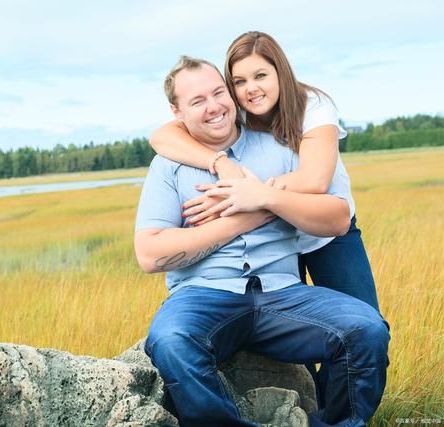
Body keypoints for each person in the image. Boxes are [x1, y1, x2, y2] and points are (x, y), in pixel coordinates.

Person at [135, 56, 389, 426]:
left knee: (366, 330)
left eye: (219, 93)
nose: (214, 107)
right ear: (176, 111)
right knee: (171, 340)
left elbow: (335, 214)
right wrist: (243, 217)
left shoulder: (281, 147)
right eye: (197, 101)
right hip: (203, 294)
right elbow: (149, 254)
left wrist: (263, 197)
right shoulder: (168, 165)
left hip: (282, 294)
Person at [149, 31, 379, 313]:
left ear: (280, 72)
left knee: (362, 319)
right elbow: (161, 137)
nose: (251, 89)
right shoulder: (237, 109)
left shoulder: (313, 107)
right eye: (239, 82)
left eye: (261, 76)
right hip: (277, 238)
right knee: (301, 339)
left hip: (324, 234)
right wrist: (221, 163)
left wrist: (243, 195)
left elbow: (314, 180)